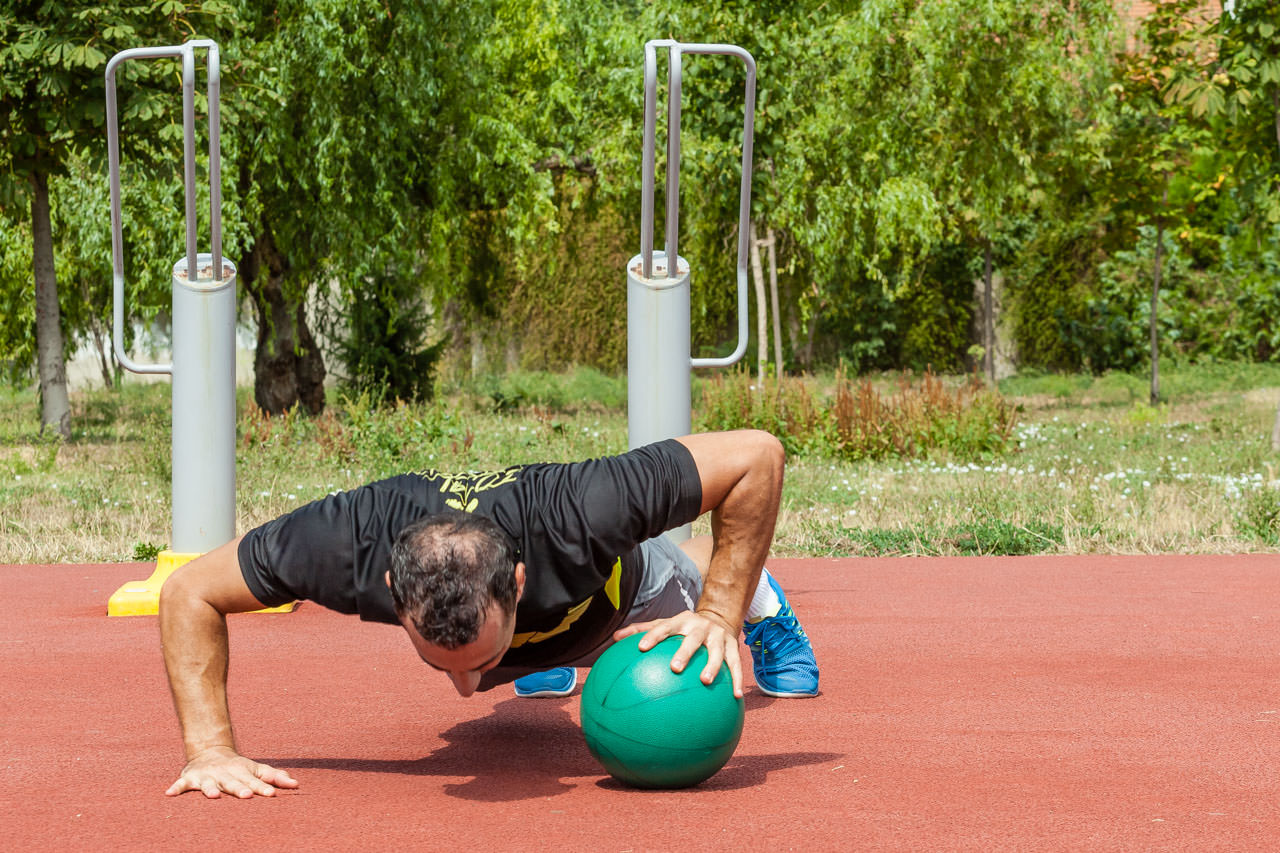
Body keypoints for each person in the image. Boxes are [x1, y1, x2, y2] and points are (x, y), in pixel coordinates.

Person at [159, 429, 819, 799]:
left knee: (698, 569)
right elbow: (189, 590)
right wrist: (210, 749)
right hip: (546, 623)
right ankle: (546, 660)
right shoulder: (341, 543)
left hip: (629, 600)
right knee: (523, 677)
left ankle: (762, 598)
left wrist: (720, 613)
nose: (467, 690)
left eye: (477, 663)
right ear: (390, 586)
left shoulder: (579, 512)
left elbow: (756, 456)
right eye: (440, 663)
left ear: (520, 582)